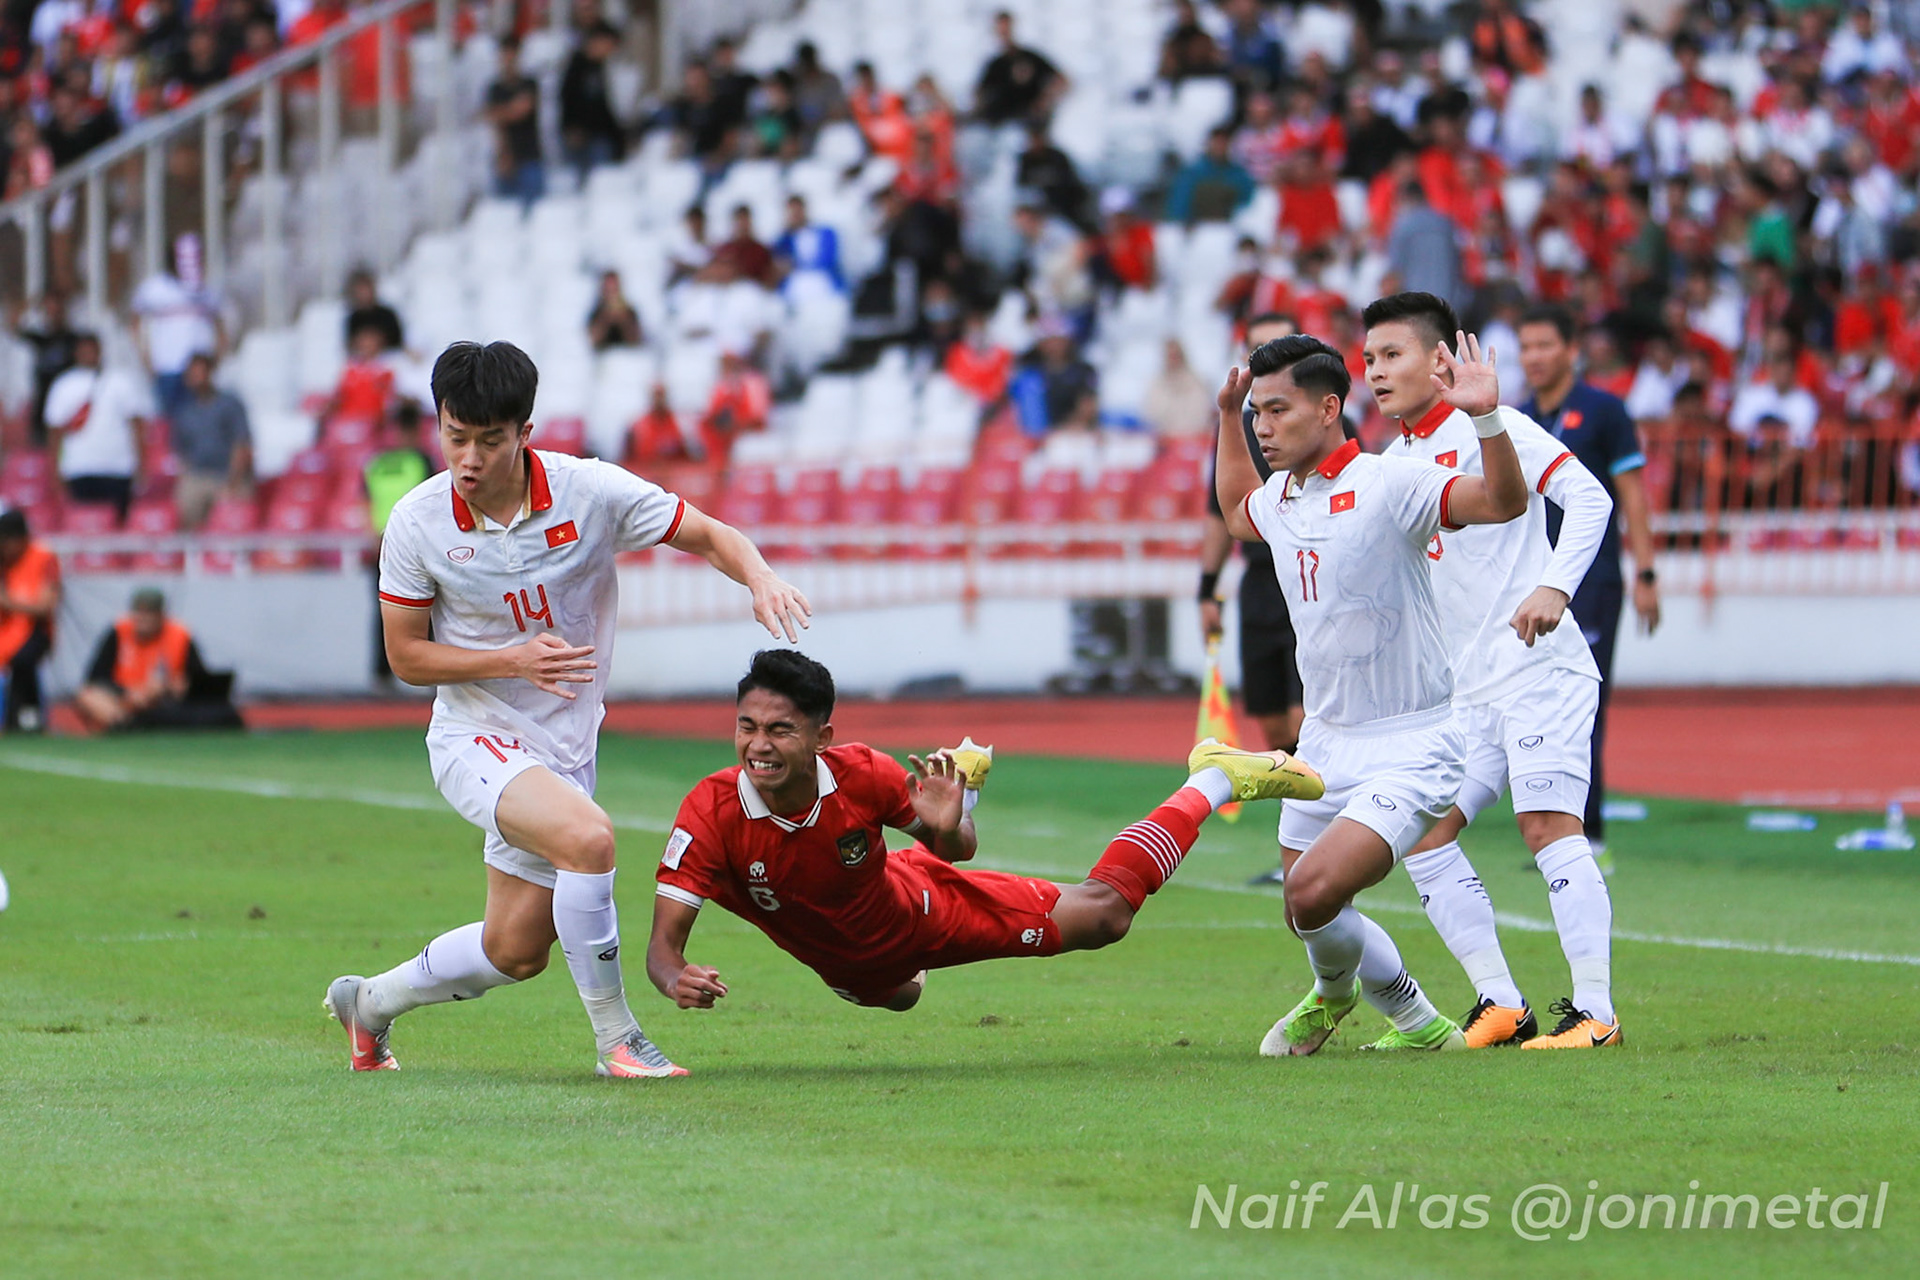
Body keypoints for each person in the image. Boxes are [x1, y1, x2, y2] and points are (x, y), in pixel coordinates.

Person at [323, 340, 812, 1079]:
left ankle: (371, 1004)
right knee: (590, 840)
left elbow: (708, 533)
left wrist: (760, 576)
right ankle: (619, 1041)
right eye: (456, 437)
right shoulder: (418, 522)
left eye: (490, 440)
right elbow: (406, 657)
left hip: (563, 748)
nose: (470, 457)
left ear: (525, 432)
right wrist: (511, 659)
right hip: (473, 737)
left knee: (514, 951)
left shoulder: (590, 492)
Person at [646, 649, 1319, 1038]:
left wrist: (947, 824)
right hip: (862, 968)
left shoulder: (864, 774)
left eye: (779, 730)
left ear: (821, 737)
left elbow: (958, 850)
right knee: (899, 994)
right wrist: (679, 979)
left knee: (1104, 915)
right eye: (747, 727)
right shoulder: (710, 813)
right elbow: (662, 951)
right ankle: (962, 777)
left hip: (922, 906)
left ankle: (1212, 780)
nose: (758, 746)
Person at [1214, 331, 1529, 1055]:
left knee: (1311, 895)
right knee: (1308, 915)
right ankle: (1414, 1023)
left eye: (1277, 411)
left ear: (1329, 409)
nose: (1265, 428)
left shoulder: (1394, 483)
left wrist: (1486, 420)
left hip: (1412, 743)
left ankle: (1345, 999)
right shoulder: (1283, 496)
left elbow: (1503, 502)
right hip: (1324, 740)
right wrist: (1226, 420)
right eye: (1257, 414)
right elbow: (1236, 510)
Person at [1371, 292, 1622, 1051]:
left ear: (1440, 358)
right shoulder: (1390, 466)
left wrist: (1555, 587)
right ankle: (1502, 1003)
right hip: (1463, 692)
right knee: (1422, 834)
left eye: (1392, 355)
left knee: (1546, 825)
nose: (1377, 373)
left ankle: (1598, 1013)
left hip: (1540, 668)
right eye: (1369, 359)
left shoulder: (1496, 428)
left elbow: (1589, 496)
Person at [1517, 305, 1660, 872]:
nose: (1533, 357)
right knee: (1533, 702)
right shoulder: (1517, 415)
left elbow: (1632, 494)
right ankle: (1549, 821)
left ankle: (1588, 828)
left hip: (1592, 579)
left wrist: (1645, 573)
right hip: (1530, 581)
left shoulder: (1604, 411)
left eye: (1544, 345)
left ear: (1571, 350)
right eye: (1525, 347)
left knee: (1583, 702)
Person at [73, 587, 239, 731]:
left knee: (212, 709)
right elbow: (95, 678)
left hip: (162, 702)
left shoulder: (179, 635)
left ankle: (134, 725)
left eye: (149, 614)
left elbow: (199, 680)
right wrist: (128, 693)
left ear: (161, 615)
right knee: (87, 696)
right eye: (139, 612)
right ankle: (123, 724)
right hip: (123, 701)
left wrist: (173, 687)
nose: (143, 619)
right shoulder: (118, 632)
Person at [43, 332, 151, 519]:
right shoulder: (63, 385)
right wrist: (55, 471)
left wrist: (141, 465)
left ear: (100, 351)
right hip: (79, 468)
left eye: (91, 350)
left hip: (118, 468)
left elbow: (137, 426)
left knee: (118, 526)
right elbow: (54, 432)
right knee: (83, 525)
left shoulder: (120, 381)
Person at [130, 234, 221, 417]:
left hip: (199, 367)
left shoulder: (207, 289)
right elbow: (135, 321)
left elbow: (220, 323)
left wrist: (216, 357)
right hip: (167, 366)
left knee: (200, 417)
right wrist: (145, 356)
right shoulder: (154, 288)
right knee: (169, 419)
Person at [169, 352, 254, 530]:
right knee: (185, 504)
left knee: (232, 511)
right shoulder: (185, 411)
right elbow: (182, 452)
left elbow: (242, 444)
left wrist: (232, 483)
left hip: (227, 475)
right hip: (198, 475)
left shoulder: (230, 404)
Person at [0, 509, 60, 734]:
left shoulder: (43, 558)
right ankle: (27, 719)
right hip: (6, 631)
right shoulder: (4, 562)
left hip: (36, 630)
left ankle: (21, 719)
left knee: (22, 661)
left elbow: (46, 607)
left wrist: (9, 603)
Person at [971, 10, 1063, 128]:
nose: (1004, 34)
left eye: (1006, 29)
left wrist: (1045, 99)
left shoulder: (1030, 57)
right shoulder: (994, 64)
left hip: (1027, 123)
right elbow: (979, 92)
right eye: (1000, 30)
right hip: (1000, 123)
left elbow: (1061, 79)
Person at [11, 291, 80, 446]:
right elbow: (13, 325)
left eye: (56, 310)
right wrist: (30, 303)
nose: (53, 314)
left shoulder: (73, 339)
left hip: (67, 405)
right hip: (42, 405)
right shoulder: (40, 339)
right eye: (49, 310)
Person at [485, 35, 544, 207]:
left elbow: (520, 111)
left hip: (529, 156)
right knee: (503, 216)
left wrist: (500, 111)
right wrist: (503, 154)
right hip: (505, 159)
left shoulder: (529, 84)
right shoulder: (494, 88)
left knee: (535, 212)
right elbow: (493, 120)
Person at [559, 21, 624, 178]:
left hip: (601, 137)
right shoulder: (577, 65)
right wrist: (571, 128)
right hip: (580, 139)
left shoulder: (603, 69)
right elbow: (567, 98)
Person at [344, 268, 404, 353]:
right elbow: (350, 348)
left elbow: (398, 344)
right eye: (360, 290)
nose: (363, 293)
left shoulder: (387, 315)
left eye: (365, 289)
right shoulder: (354, 318)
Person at [586, 271, 643, 350]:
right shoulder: (596, 312)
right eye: (608, 287)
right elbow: (592, 341)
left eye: (613, 287)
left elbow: (636, 341)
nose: (611, 291)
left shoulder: (630, 312)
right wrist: (606, 319)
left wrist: (623, 319)